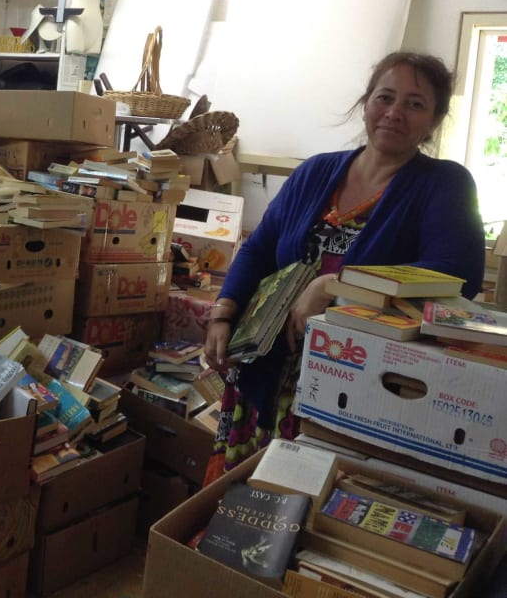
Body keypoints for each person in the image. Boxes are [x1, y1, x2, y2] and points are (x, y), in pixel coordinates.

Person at [202, 51, 486, 483]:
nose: (394, 113)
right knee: (244, 509)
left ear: (434, 120)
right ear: (366, 102)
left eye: (414, 103)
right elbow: (260, 247)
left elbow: (456, 274)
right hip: (267, 371)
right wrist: (223, 312)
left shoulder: (444, 184)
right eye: (384, 97)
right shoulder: (317, 171)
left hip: (352, 383)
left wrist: (338, 286)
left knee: (307, 509)